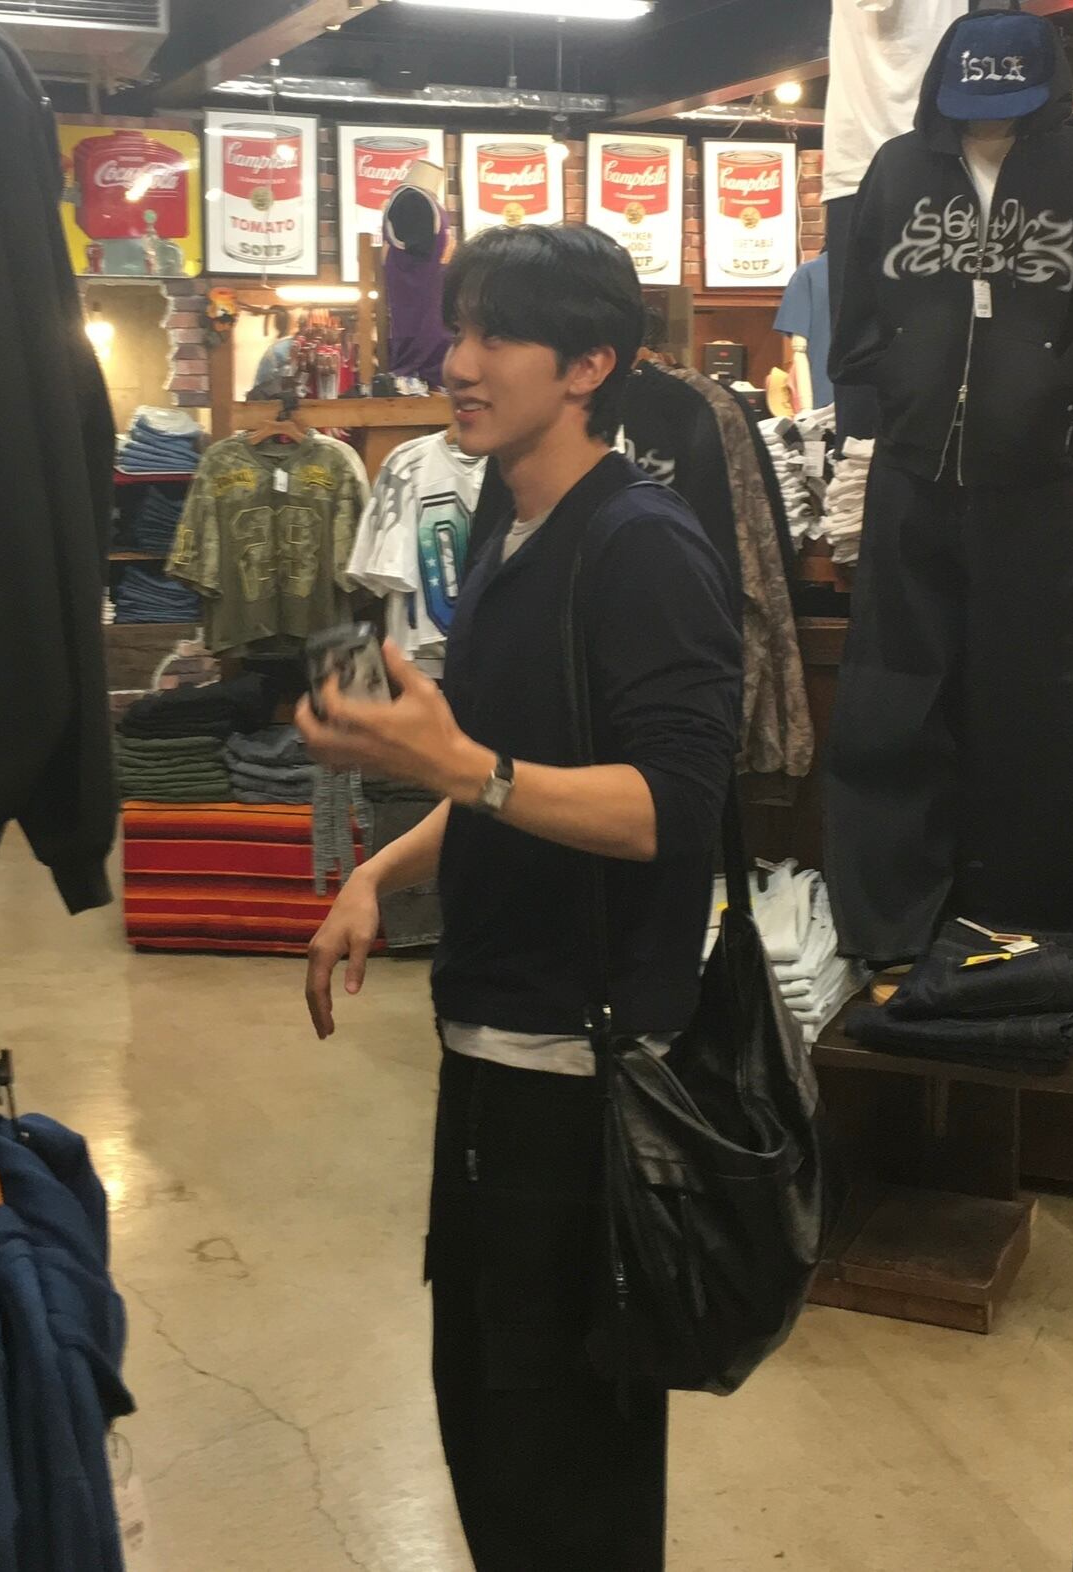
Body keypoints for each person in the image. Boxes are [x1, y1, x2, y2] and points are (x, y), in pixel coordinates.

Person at [296, 223, 742, 1571]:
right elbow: (502, 773)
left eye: (498, 335)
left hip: (585, 1071)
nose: (459, 362)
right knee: (489, 1430)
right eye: (459, 329)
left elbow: (670, 809)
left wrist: (463, 770)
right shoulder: (507, 520)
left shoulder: (643, 544)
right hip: (490, 1047)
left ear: (590, 363)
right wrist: (380, 870)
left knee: (567, 1468)